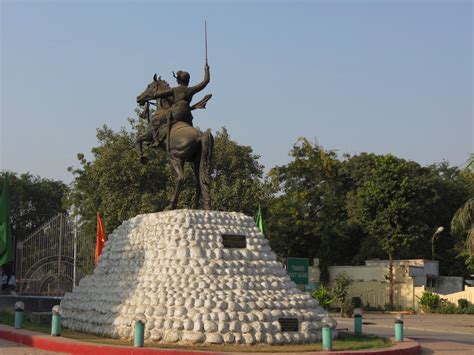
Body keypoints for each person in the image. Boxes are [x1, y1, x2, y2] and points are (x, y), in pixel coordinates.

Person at [148, 64, 210, 147]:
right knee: (190, 127)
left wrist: (153, 95)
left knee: (157, 122)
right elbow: (205, 81)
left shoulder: (174, 90)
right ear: (188, 81)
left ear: (178, 81)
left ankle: (156, 140)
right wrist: (206, 70)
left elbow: (158, 95)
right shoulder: (190, 90)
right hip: (187, 115)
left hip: (176, 113)